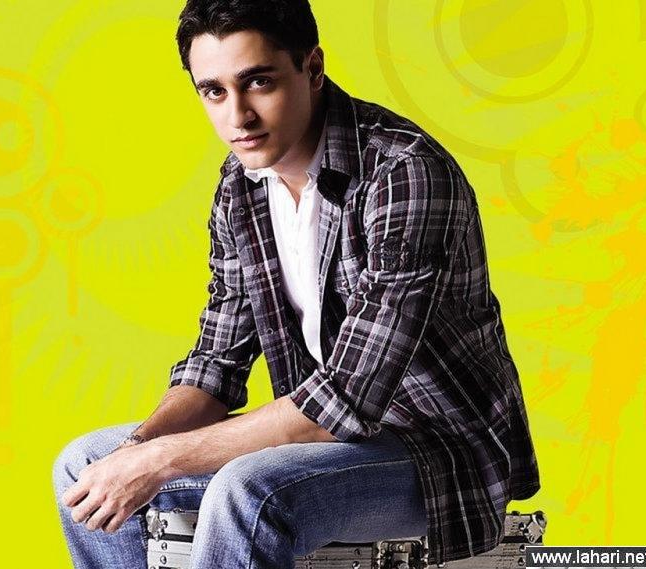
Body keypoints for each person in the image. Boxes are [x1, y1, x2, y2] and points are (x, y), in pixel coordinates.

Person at [52, 1, 541, 567]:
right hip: (328, 440)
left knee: (249, 492)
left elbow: (349, 396)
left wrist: (160, 462)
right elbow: (216, 365)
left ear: (312, 67)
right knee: (85, 466)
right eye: (213, 92)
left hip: (440, 454)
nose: (238, 117)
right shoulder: (241, 187)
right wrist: (136, 451)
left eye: (258, 82)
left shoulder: (404, 173)